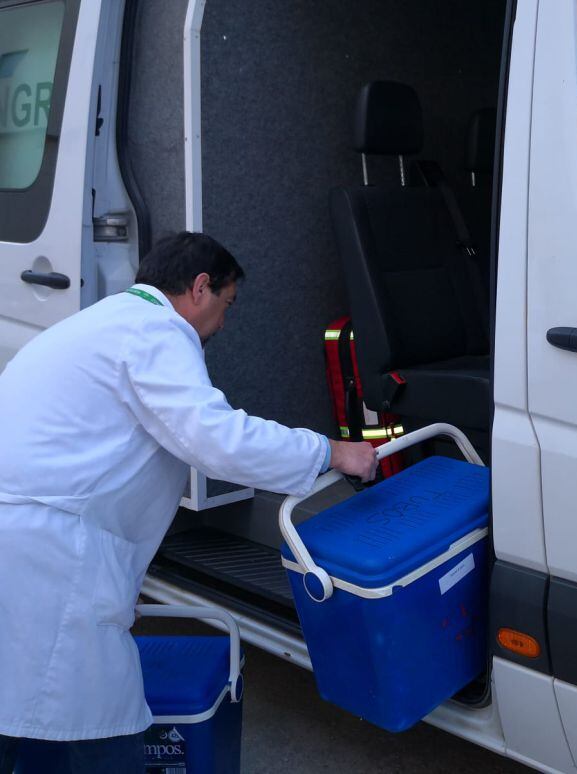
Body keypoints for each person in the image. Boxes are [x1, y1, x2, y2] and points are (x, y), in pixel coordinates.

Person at [0, 232, 377, 773]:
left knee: (20, 719)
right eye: (226, 305)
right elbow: (215, 439)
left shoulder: (102, 323)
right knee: (89, 733)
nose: (223, 324)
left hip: (28, 546)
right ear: (201, 288)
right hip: (52, 560)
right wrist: (331, 451)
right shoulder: (157, 331)